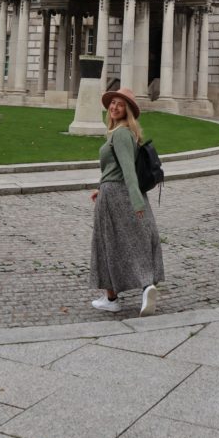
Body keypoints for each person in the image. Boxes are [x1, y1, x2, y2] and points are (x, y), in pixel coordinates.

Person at [89, 86, 164, 316]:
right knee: (134, 242)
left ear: (127, 111)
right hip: (114, 192)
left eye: (120, 105)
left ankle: (112, 298)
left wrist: (137, 203)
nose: (114, 107)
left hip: (116, 198)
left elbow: (129, 171)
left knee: (107, 244)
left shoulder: (121, 133)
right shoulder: (126, 133)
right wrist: (101, 188)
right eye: (113, 103)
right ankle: (145, 286)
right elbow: (118, 170)